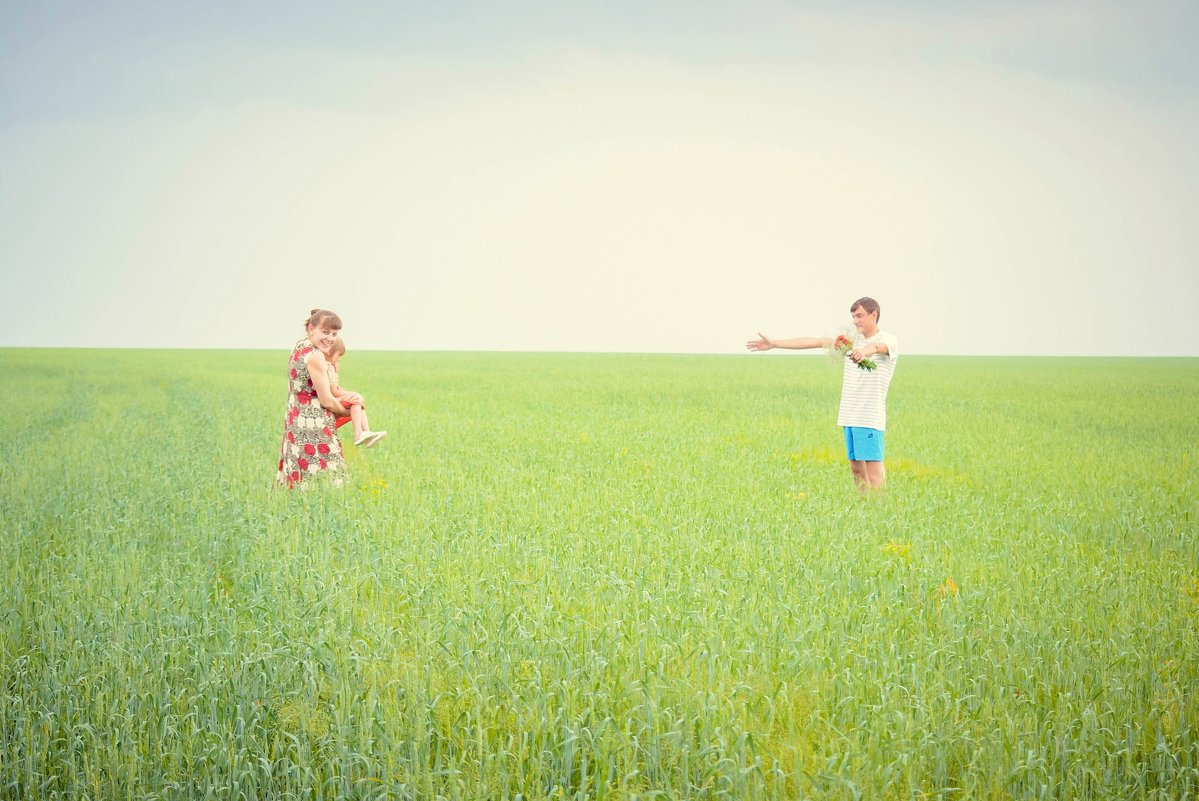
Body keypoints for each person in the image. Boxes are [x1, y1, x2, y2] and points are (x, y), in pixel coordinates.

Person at [746, 297, 898, 493]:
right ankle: (865, 511)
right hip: (849, 415)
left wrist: (863, 352)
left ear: (873, 314)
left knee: (873, 470)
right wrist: (774, 343)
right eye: (853, 317)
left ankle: (881, 512)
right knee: (856, 469)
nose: (855, 321)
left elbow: (877, 348)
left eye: (859, 316)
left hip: (869, 417)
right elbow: (815, 341)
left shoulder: (887, 339)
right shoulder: (849, 341)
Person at [277, 309, 351, 489]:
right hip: (314, 426)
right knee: (330, 478)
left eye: (334, 334)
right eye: (325, 332)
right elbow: (326, 400)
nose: (330, 339)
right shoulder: (316, 356)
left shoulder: (299, 346)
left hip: (296, 420)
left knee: (300, 475)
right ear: (311, 329)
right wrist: (347, 412)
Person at [324, 336, 387, 448]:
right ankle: (358, 434)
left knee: (358, 402)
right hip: (331, 399)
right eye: (338, 355)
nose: (339, 359)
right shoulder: (329, 368)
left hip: (331, 397)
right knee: (356, 398)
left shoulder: (326, 366)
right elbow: (334, 391)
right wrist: (350, 394)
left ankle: (366, 434)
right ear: (329, 352)